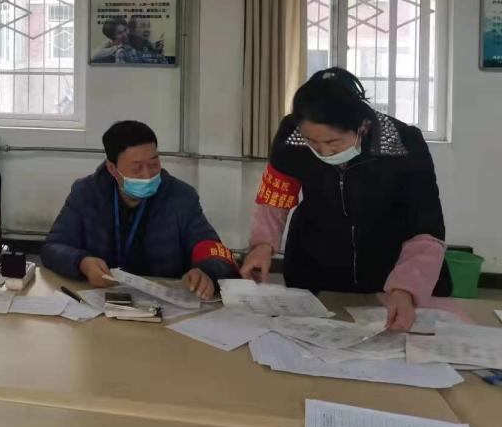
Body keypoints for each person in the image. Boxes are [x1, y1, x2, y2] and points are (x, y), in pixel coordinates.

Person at [239, 68, 451, 332]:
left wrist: (406, 288)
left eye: (334, 142)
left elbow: (426, 227)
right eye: (312, 142)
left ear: (362, 127)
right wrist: (263, 245)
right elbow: (276, 196)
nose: (323, 151)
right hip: (316, 266)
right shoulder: (291, 137)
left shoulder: (403, 143)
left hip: (389, 269)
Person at [41, 121, 239, 299]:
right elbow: (53, 247)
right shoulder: (87, 194)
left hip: (163, 305)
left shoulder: (181, 198)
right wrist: (82, 263)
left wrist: (207, 272)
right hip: (102, 300)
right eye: (136, 168)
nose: (147, 175)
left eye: (153, 164)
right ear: (112, 168)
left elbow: (213, 248)